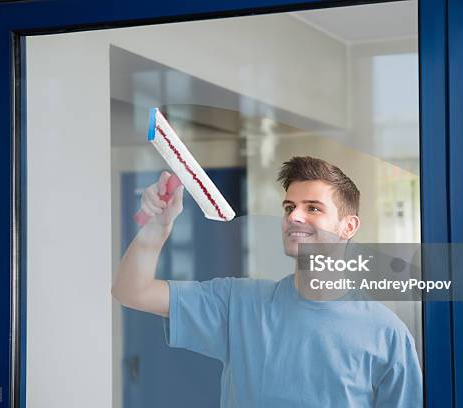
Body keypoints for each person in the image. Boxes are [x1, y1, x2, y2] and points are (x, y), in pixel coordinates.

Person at [112, 156, 423, 407]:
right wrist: (158, 226)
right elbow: (132, 291)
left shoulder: (387, 334)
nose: (294, 217)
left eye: (312, 208)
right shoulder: (239, 304)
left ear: (348, 226)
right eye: (289, 207)